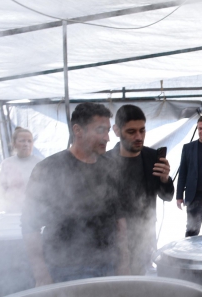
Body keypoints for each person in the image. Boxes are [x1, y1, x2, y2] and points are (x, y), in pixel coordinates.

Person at [22, 102, 130, 285]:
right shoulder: (49, 169)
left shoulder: (111, 167)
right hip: (65, 268)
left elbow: (120, 219)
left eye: (108, 131)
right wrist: (40, 273)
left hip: (108, 265)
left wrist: (124, 260)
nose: (107, 138)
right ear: (78, 130)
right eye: (100, 130)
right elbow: (30, 225)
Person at [108, 104, 174, 274]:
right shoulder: (105, 161)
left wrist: (165, 179)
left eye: (142, 130)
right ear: (116, 130)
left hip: (145, 235)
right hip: (114, 240)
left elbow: (167, 197)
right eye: (131, 132)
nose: (139, 136)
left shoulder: (152, 157)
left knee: (140, 285)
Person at [0, 126, 42, 213]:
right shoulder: (7, 163)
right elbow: (2, 189)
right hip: (12, 211)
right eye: (22, 141)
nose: (26, 144)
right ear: (14, 144)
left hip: (34, 213)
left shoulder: (40, 163)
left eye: (29, 141)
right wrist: (2, 208)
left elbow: (47, 189)